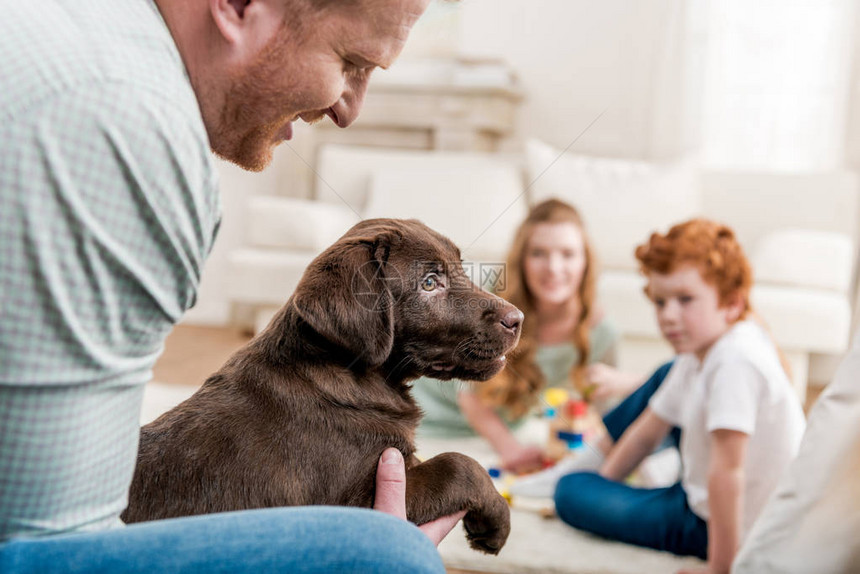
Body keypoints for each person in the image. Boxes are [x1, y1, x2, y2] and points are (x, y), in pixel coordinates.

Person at [0, 0, 463, 571]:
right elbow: (62, 543)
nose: (350, 109)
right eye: (349, 62)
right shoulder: (133, 127)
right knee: (387, 552)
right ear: (241, 7)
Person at [552, 219, 806, 573]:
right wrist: (604, 487)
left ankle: (634, 476)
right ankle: (641, 473)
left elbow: (727, 474)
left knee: (569, 492)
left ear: (732, 303)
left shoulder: (735, 361)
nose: (668, 315)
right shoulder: (704, 350)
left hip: (720, 525)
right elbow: (647, 431)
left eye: (685, 299)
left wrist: (721, 568)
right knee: (662, 380)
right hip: (700, 498)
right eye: (660, 301)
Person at [412, 199, 641, 473]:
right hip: (427, 413)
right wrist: (511, 450)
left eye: (568, 254)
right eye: (538, 253)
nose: (553, 268)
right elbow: (469, 395)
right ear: (522, 260)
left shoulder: (602, 332)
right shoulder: (491, 298)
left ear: (585, 263)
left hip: (507, 422)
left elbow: (605, 412)